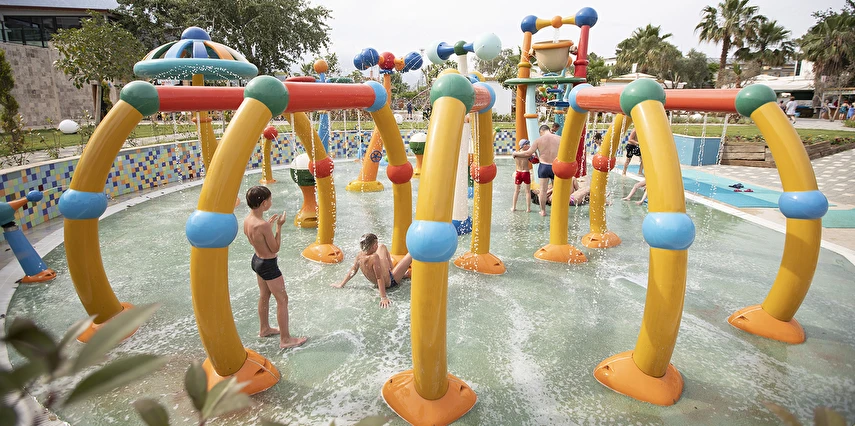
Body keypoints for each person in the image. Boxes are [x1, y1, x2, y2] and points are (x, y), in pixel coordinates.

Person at [244, 186, 307, 349]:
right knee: (282, 299)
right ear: (264, 203)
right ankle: (285, 339)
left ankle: (264, 329)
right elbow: (275, 248)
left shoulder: (248, 220)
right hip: (268, 265)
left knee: (264, 295)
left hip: (257, 260)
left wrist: (268, 227)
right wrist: (279, 226)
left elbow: (256, 240)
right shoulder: (263, 225)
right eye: (270, 200)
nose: (271, 202)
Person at [331, 233, 413, 308]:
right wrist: (383, 297)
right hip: (391, 282)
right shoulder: (374, 257)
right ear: (373, 246)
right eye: (376, 244)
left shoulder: (359, 255)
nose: (377, 246)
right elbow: (379, 277)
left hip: (384, 278)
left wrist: (342, 284)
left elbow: (353, 271)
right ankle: (398, 275)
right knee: (411, 254)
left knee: (382, 247)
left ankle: (395, 271)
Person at [513, 124, 561, 216]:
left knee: (543, 190)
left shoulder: (538, 140)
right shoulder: (560, 138)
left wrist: (516, 153)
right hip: (555, 166)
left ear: (541, 132)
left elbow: (528, 153)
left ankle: (543, 211)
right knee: (556, 190)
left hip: (543, 167)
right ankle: (556, 210)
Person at [511, 140, 534, 212]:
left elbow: (515, 154)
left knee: (516, 191)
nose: (529, 145)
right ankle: (528, 208)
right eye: (528, 144)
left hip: (518, 173)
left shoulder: (515, 154)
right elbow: (534, 160)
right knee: (527, 192)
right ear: (524, 145)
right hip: (525, 173)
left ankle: (513, 207)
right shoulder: (528, 154)